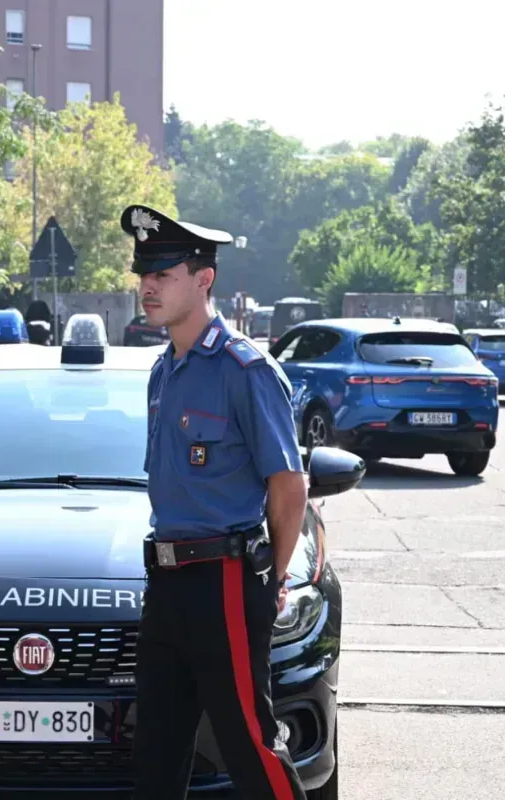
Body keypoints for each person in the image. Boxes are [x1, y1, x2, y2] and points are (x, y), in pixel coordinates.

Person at [123, 204, 309, 800]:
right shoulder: (163, 371)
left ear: (203, 280)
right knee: (155, 750)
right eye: (144, 275)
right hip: (168, 581)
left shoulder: (244, 370)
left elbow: (288, 486)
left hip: (224, 578)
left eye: (163, 274)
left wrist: (270, 576)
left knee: (249, 741)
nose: (148, 287)